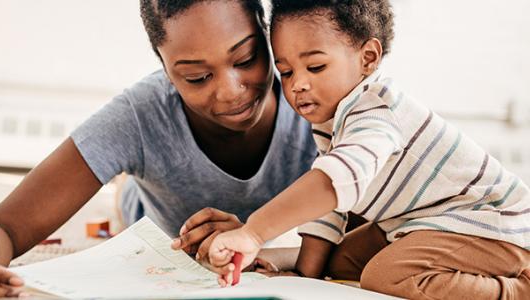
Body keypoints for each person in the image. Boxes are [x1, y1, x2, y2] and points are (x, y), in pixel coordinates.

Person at [0, 0, 318, 297]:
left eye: (246, 58)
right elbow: (3, 226)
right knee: (129, 204)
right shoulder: (140, 116)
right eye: (197, 77)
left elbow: (368, 233)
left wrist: (251, 235)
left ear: (266, 31)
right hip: (147, 215)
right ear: (165, 71)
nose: (231, 90)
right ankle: (125, 189)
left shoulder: (321, 99)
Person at [208, 0, 530, 299]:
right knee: (342, 259)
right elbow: (329, 209)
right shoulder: (336, 118)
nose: (297, 85)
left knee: (385, 275)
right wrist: (303, 274)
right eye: (287, 71)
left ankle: (516, 290)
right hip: (419, 223)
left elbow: (335, 181)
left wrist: (254, 232)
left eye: (315, 67)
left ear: (368, 59)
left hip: (488, 225)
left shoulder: (377, 112)